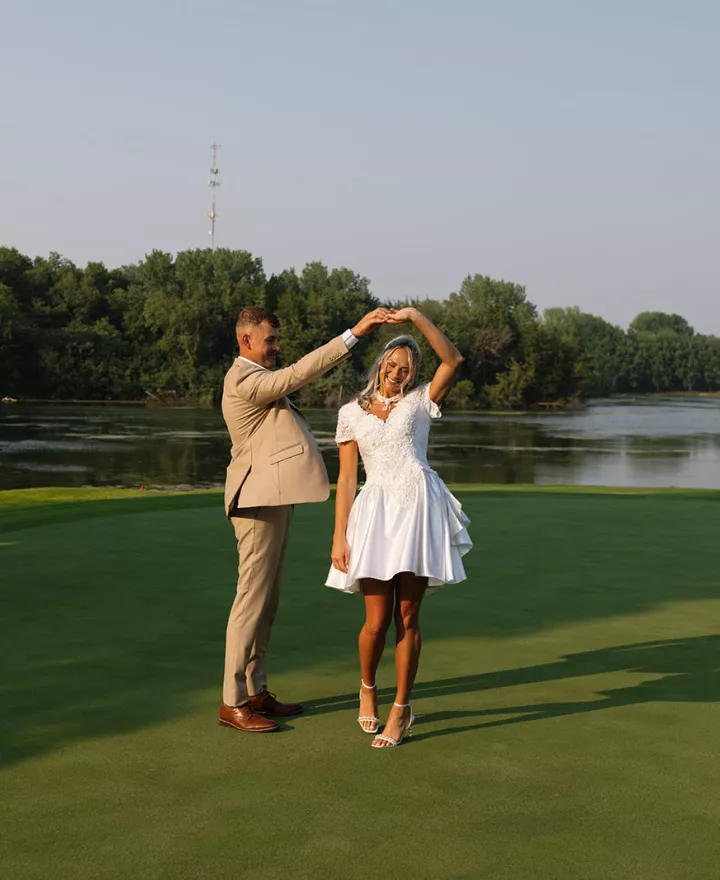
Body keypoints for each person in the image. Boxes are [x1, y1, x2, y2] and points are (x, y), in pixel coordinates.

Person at [219, 305, 388, 733]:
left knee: (267, 603)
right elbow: (299, 373)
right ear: (247, 341)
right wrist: (355, 333)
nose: (276, 347)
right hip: (255, 504)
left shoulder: (256, 378)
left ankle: (256, 691)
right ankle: (232, 701)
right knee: (250, 602)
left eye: (277, 339)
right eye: (270, 340)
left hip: (272, 499)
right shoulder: (243, 379)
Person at [326, 307, 472, 747]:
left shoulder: (421, 401)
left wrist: (414, 318)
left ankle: (402, 708)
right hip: (375, 514)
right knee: (375, 622)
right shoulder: (351, 412)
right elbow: (348, 479)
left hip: (417, 510)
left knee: (407, 616)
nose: (396, 373)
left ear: (412, 375)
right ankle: (367, 688)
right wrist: (339, 534)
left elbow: (454, 361)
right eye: (391, 365)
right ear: (380, 365)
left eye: (404, 370)